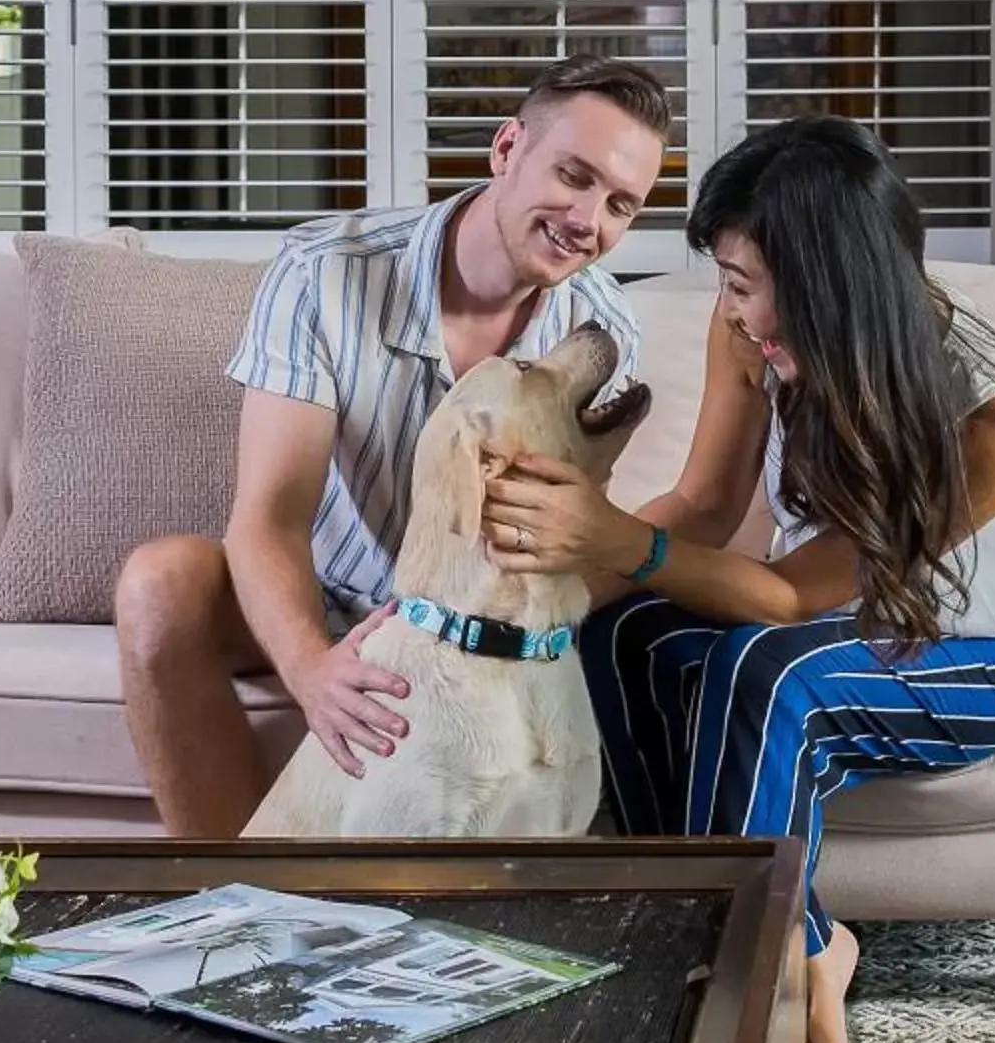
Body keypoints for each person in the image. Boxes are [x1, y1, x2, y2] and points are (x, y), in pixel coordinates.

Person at [477, 115, 995, 1043]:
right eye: (727, 280)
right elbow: (705, 505)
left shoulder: (994, 418)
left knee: (769, 672)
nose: (733, 311)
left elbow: (794, 595)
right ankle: (770, 939)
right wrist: (535, 609)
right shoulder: (751, 326)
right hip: (833, 626)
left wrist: (607, 535)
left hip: (983, 651)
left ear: (832, 284)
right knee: (622, 633)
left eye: (746, 283)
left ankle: (747, 991)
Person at [113, 56, 670, 838]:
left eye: (621, 205)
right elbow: (270, 514)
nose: (588, 219)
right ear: (506, 148)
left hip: (477, 619)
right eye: (572, 176)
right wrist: (312, 669)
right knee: (159, 583)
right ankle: (217, 888)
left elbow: (568, 531)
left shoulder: (602, 330)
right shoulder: (324, 271)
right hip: (330, 588)